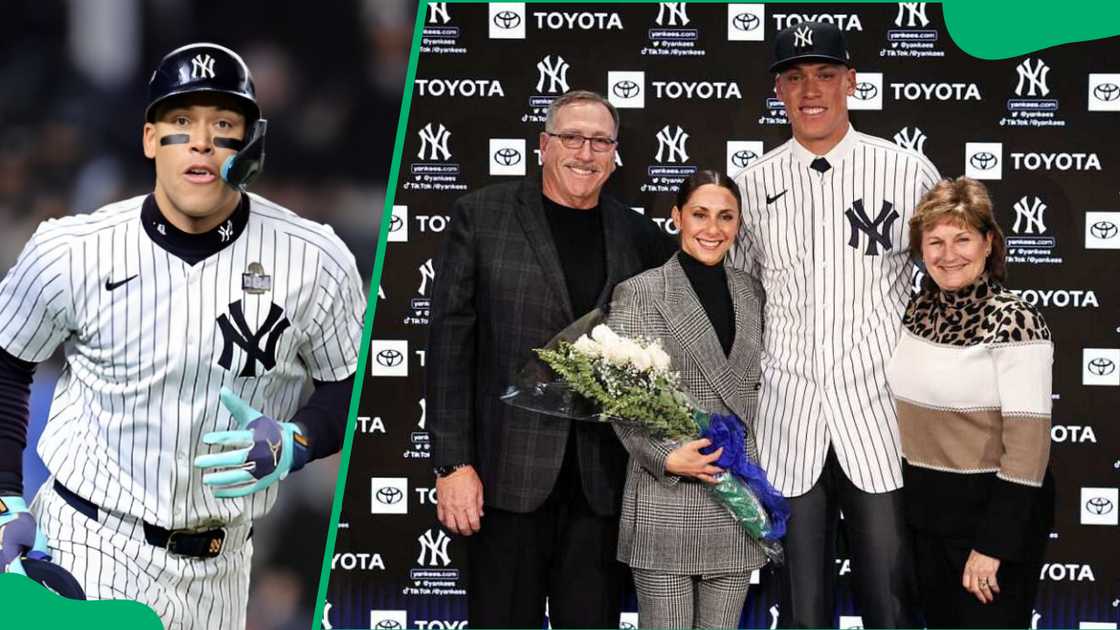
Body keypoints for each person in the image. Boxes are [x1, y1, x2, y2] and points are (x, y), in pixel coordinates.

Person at [0, 43, 364, 629]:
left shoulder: (315, 259)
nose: (200, 141)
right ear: (149, 140)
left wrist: (297, 440)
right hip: (87, 546)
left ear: (251, 145)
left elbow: (350, 385)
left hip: (223, 568)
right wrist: (2, 497)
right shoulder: (72, 249)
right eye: (180, 121)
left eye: (223, 124)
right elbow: (7, 362)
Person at [427, 89, 676, 629]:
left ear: (614, 154)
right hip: (503, 480)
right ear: (543, 145)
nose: (585, 153)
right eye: (572, 138)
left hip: (602, 486)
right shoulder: (482, 217)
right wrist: (452, 464)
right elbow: (449, 349)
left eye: (600, 141)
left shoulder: (639, 236)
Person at [728, 21, 942, 628]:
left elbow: (945, 276)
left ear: (851, 81)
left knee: (892, 603)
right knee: (800, 611)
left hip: (878, 419)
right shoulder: (755, 181)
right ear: (778, 90)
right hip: (787, 420)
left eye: (825, 74)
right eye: (794, 77)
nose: (810, 90)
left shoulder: (906, 171)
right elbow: (742, 300)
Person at [886, 177, 1054, 628]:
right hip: (925, 518)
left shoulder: (1016, 320)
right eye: (935, 241)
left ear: (988, 243)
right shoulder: (916, 309)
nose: (948, 254)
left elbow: (1028, 448)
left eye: (962, 238)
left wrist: (993, 546)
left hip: (990, 522)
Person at [607, 170, 766, 629]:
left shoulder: (751, 292)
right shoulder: (640, 291)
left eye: (725, 217)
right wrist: (666, 456)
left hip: (734, 496)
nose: (712, 229)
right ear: (677, 217)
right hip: (667, 497)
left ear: (738, 225)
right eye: (700, 214)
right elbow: (623, 397)